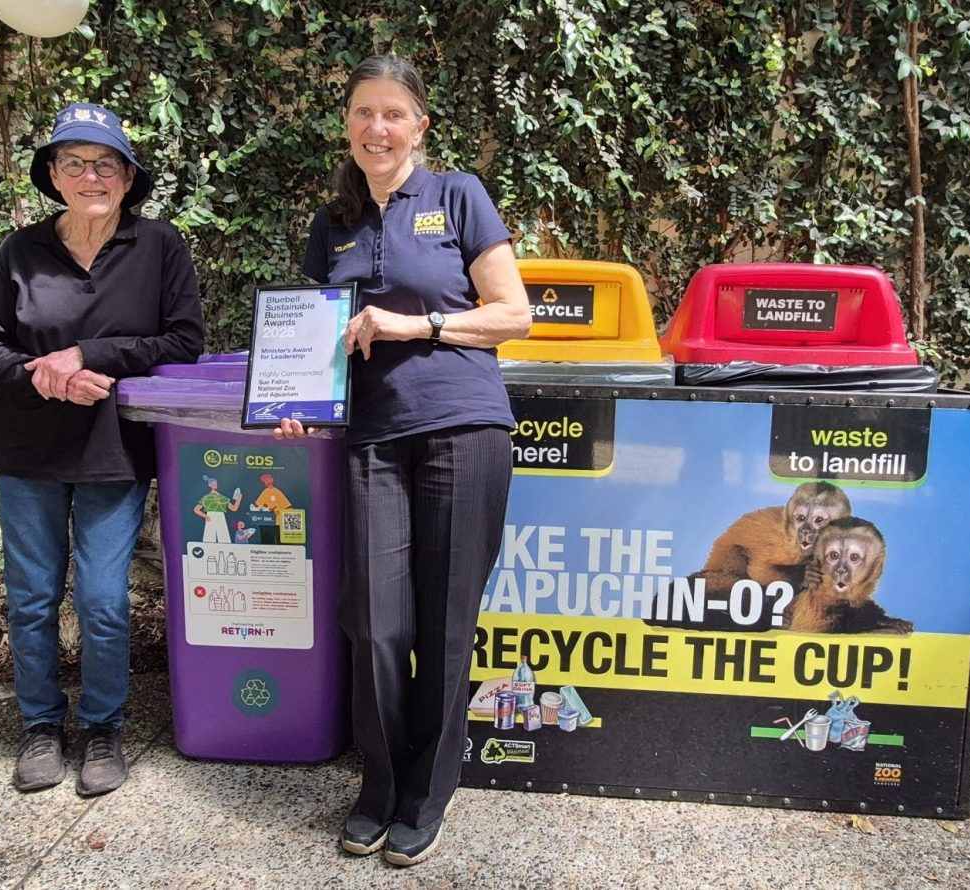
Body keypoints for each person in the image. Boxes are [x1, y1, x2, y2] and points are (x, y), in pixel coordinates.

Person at [278, 55, 530, 866]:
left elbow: (513, 314)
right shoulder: (333, 221)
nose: (376, 128)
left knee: (445, 622)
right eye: (362, 113)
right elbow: (320, 338)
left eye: (393, 113)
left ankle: (427, 795)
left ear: (419, 125)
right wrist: (301, 404)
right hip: (374, 439)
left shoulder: (459, 196)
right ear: (346, 125)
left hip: (464, 425)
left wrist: (416, 325)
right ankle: (379, 785)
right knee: (375, 622)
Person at [0, 103, 204, 796]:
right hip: (26, 449)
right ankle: (41, 725)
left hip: (113, 452)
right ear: (52, 174)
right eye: (74, 162)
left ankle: (102, 728)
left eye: (105, 163)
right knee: (34, 597)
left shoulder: (160, 246)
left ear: (128, 177)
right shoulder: (19, 251)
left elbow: (183, 341)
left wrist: (88, 354)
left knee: (102, 599)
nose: (90, 175)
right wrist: (45, 377)